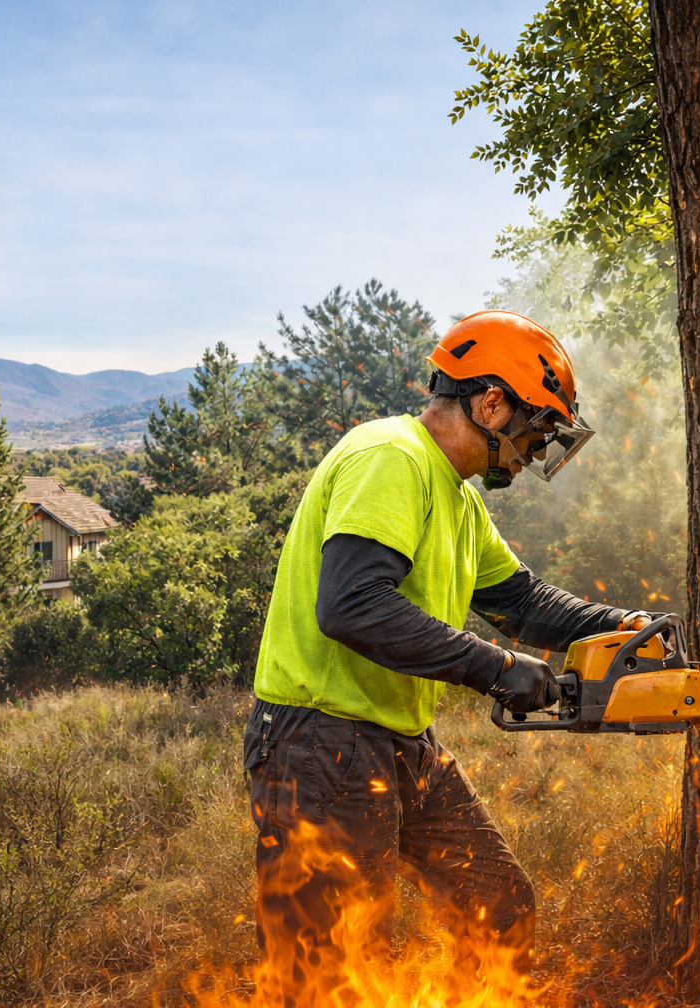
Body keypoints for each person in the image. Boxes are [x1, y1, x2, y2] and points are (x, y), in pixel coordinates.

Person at [244, 309, 650, 996]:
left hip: (401, 742)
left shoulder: (459, 502)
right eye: (535, 428)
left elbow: (521, 603)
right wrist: (495, 668)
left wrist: (622, 625)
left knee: (500, 907)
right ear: (492, 403)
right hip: (319, 740)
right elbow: (351, 606)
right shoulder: (391, 457)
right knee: (327, 971)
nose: (532, 451)